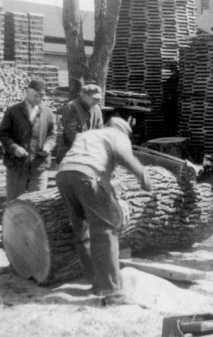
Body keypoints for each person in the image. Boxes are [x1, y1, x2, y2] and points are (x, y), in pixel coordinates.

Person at [55, 117, 152, 306]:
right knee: (105, 232)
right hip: (88, 177)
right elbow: (123, 155)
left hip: (64, 175)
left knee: (82, 231)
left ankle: (96, 282)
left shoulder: (89, 134)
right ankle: (113, 292)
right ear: (123, 131)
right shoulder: (117, 135)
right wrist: (142, 174)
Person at [0, 78, 57, 201]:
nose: (38, 99)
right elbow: (3, 133)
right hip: (16, 166)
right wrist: (14, 148)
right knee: (14, 204)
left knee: (38, 204)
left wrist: (48, 146)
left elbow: (52, 135)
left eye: (41, 96)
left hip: (38, 165)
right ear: (27, 92)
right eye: (36, 96)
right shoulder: (13, 111)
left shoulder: (48, 112)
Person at [56, 83, 104, 163]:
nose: (97, 102)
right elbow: (71, 133)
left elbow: (100, 128)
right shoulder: (71, 107)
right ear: (84, 96)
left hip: (89, 154)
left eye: (98, 99)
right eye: (94, 98)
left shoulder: (96, 109)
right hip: (71, 155)